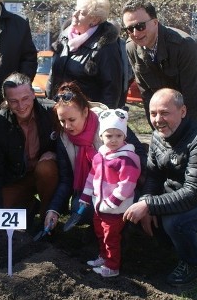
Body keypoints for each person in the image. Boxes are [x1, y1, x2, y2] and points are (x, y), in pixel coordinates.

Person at [123, 88, 197, 286]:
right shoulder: (157, 136)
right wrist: (146, 200)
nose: (157, 119)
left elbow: (194, 193)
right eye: (153, 113)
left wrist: (150, 205)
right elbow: (153, 176)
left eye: (164, 113)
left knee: (175, 222)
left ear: (183, 111)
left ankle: (196, 263)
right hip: (187, 198)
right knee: (143, 207)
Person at [44, 82, 147, 230]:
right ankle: (100, 229)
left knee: (116, 209)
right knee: (79, 209)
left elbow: (140, 154)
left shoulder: (111, 122)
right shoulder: (63, 138)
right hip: (91, 188)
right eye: (62, 121)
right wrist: (53, 209)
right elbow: (66, 180)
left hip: (123, 185)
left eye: (72, 120)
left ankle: (121, 230)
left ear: (85, 112)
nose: (67, 126)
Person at [121, 0, 197, 130]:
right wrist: (157, 129)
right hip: (170, 110)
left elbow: (194, 97)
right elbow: (147, 95)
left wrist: (188, 136)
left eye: (140, 26)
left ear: (155, 22)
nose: (135, 33)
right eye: (129, 29)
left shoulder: (183, 45)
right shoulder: (131, 47)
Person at [0, 73, 58, 233]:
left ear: (33, 94)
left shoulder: (51, 112)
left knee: (47, 168)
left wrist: (55, 154)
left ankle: (47, 217)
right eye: (14, 101)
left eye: (25, 98)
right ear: (6, 101)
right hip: (16, 179)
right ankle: (30, 206)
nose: (21, 105)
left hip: (45, 173)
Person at [78, 108, 140, 278]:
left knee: (111, 237)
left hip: (115, 209)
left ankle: (112, 266)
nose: (113, 140)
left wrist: (113, 201)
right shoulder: (100, 156)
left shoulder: (127, 158)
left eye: (118, 136)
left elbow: (127, 184)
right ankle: (104, 257)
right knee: (101, 233)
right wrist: (85, 196)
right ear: (101, 137)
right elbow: (92, 177)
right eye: (109, 136)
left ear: (124, 136)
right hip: (100, 206)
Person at [47, 0, 123, 108]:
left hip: (87, 116)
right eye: (75, 9)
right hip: (59, 110)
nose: (74, 14)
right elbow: (53, 75)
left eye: (81, 13)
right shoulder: (64, 36)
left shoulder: (106, 46)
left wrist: (101, 119)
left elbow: (111, 90)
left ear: (95, 20)